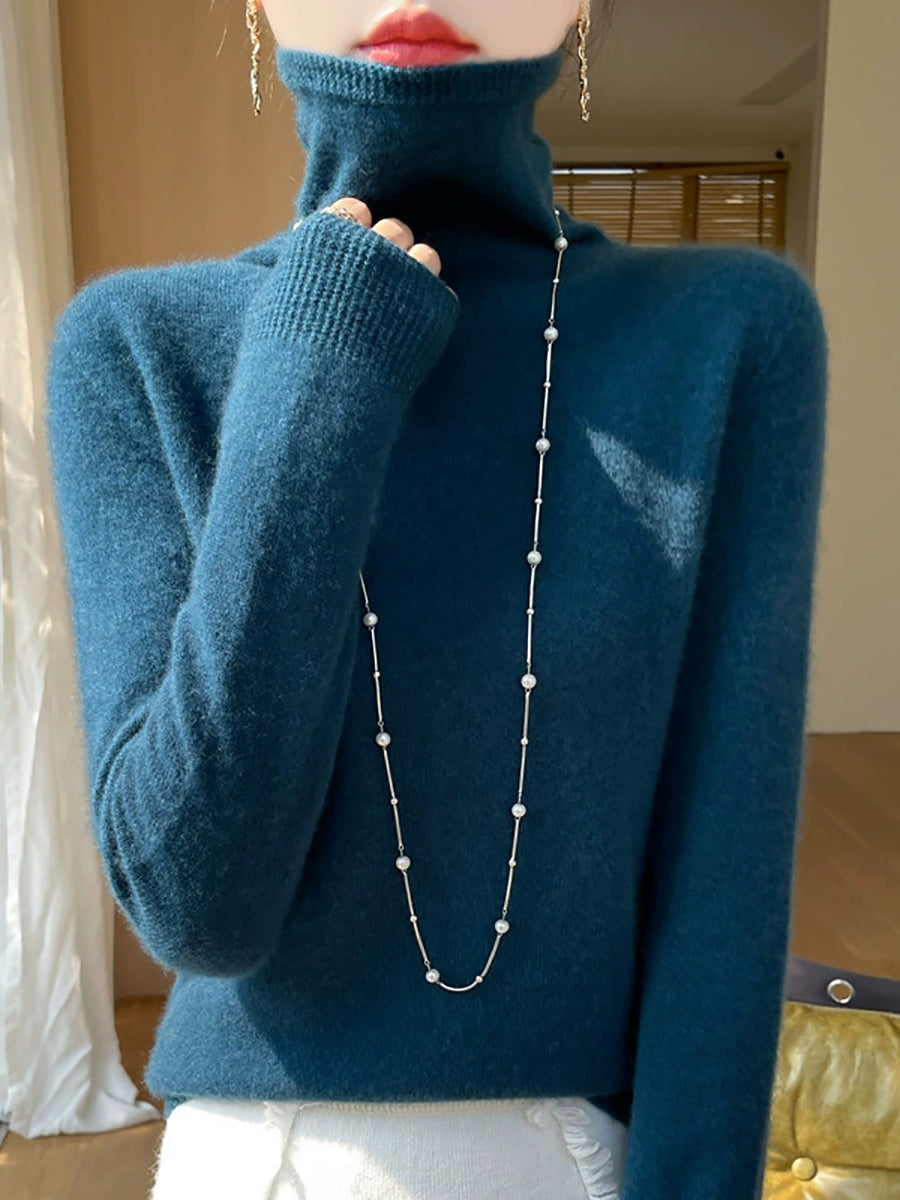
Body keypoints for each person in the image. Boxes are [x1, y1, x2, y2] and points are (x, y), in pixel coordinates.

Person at [43, 1, 829, 1197]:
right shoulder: (136, 344)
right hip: (253, 1165)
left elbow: (725, 887)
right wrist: (316, 381)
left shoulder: (727, 332)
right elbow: (196, 907)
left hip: (578, 1165)